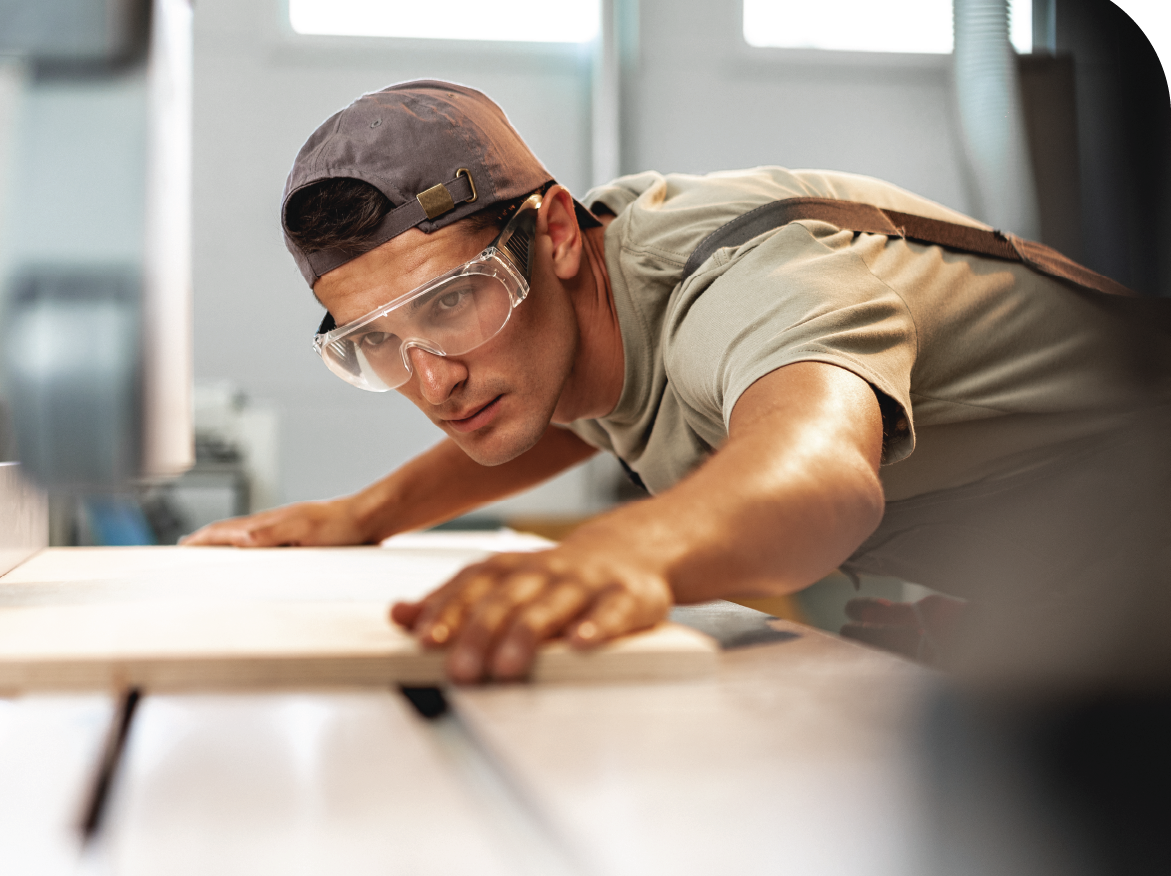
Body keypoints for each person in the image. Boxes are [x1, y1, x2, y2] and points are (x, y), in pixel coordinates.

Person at [185, 80, 1170, 685]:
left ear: (558, 232)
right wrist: (368, 514)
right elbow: (578, 415)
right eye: (380, 343)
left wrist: (621, 551)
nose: (433, 379)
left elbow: (821, 473)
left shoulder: (754, 278)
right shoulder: (577, 316)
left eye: (450, 303)